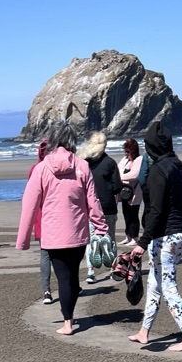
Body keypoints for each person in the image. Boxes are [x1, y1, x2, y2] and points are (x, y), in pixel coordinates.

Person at [16, 121, 107, 336]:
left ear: (53, 140)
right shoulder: (82, 166)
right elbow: (93, 202)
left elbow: (29, 205)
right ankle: (70, 315)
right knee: (72, 276)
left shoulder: (41, 169)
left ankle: (68, 322)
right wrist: (101, 228)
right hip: (78, 233)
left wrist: (23, 240)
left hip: (53, 235)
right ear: (72, 141)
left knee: (64, 277)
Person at [127, 121, 182, 352]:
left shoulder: (158, 170)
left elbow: (155, 210)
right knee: (155, 282)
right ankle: (144, 331)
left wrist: (142, 242)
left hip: (165, 237)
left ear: (151, 147)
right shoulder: (181, 166)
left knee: (167, 286)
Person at [79, 131, 122, 283]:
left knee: (91, 239)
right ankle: (114, 269)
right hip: (108, 206)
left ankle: (90, 271)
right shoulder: (110, 163)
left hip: (90, 207)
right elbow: (117, 186)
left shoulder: (83, 162)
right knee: (110, 237)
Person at [28, 139, 54, 304]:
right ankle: (66, 285)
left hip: (41, 217)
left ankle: (46, 290)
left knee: (45, 254)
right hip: (55, 216)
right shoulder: (55, 168)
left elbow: (31, 198)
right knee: (59, 255)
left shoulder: (35, 169)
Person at [117, 138, 143, 245]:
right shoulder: (125, 159)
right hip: (125, 191)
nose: (126, 154)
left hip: (134, 192)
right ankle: (128, 236)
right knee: (125, 214)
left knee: (133, 215)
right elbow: (118, 168)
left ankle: (134, 238)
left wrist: (120, 177)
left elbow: (134, 175)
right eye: (125, 151)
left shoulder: (139, 159)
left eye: (128, 151)